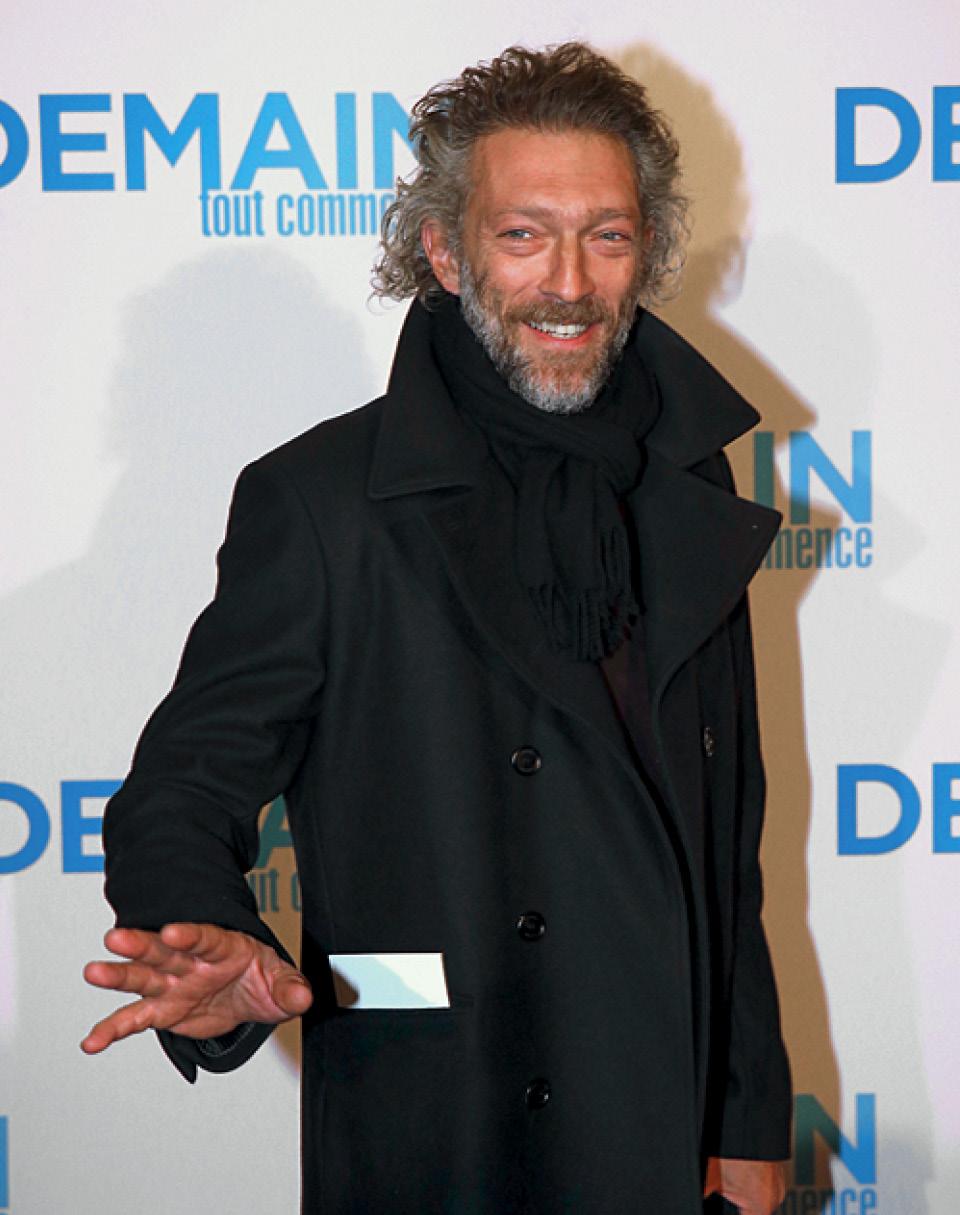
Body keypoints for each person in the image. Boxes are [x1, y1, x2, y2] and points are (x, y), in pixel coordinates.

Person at [83, 42, 791, 1214]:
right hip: (446, 1113)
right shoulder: (324, 501)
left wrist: (747, 1114)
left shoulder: (688, 477)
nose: (570, 281)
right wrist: (202, 927)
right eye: (523, 235)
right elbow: (182, 788)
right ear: (446, 253)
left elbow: (727, 842)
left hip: (657, 1105)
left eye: (608, 235)